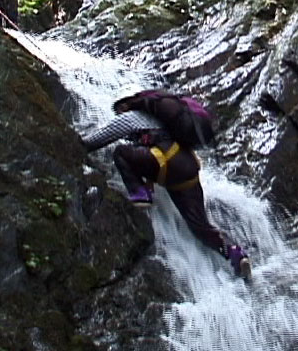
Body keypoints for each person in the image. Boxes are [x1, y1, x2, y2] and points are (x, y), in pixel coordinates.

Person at [81, 94, 252, 281]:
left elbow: (95, 141)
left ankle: (140, 194)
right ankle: (236, 254)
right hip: (188, 169)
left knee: (121, 153)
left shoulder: (131, 117)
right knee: (200, 226)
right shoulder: (166, 122)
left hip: (165, 162)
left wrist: (72, 141)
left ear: (125, 106)